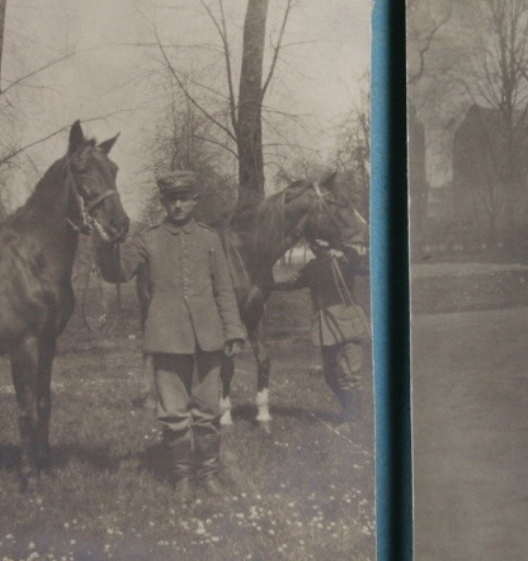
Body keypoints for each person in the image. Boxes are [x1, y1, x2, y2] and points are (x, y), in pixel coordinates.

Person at [98, 171, 246, 492]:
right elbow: (117, 272)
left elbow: (224, 290)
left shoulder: (209, 239)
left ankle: (208, 475)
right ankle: (182, 478)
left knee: (208, 410)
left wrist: (233, 330)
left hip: (209, 337)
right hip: (166, 337)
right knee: (174, 413)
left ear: (194, 200)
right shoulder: (148, 239)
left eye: (184, 198)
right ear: (164, 202)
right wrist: (105, 243)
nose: (177, 206)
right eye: (171, 199)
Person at [275, 234, 370, 421]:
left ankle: (353, 420)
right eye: (312, 242)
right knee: (331, 375)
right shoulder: (312, 266)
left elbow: (366, 263)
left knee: (349, 374)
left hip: (347, 320)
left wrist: (343, 249)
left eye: (320, 241)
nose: (315, 245)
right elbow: (290, 282)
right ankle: (349, 414)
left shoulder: (344, 260)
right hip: (325, 324)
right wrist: (264, 282)